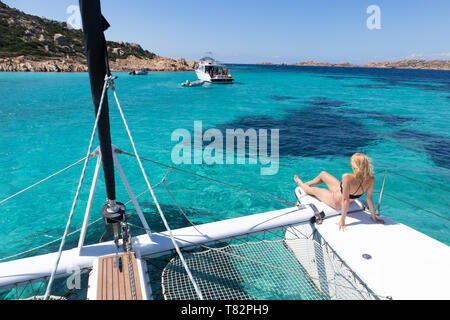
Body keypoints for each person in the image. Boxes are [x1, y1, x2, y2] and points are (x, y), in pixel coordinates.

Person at [294, 153, 384, 231]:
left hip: (336, 201)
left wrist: (342, 221)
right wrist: (374, 218)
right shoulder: (371, 179)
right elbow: (369, 198)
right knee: (323, 174)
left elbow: (344, 200)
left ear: (355, 166)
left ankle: (300, 183)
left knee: (312, 191)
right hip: (342, 195)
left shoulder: (347, 177)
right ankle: (308, 183)